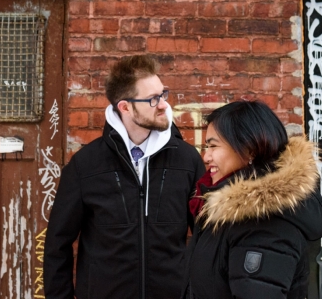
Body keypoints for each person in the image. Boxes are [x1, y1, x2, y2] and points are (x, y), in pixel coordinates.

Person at [44, 55, 205, 299]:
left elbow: (208, 237)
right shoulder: (85, 165)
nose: (163, 104)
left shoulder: (186, 160)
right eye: (153, 99)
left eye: (163, 95)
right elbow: (57, 245)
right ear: (125, 107)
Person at [184, 100, 322, 299]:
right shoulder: (227, 210)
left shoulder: (265, 222)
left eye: (213, 146)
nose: (206, 156)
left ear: (250, 149)